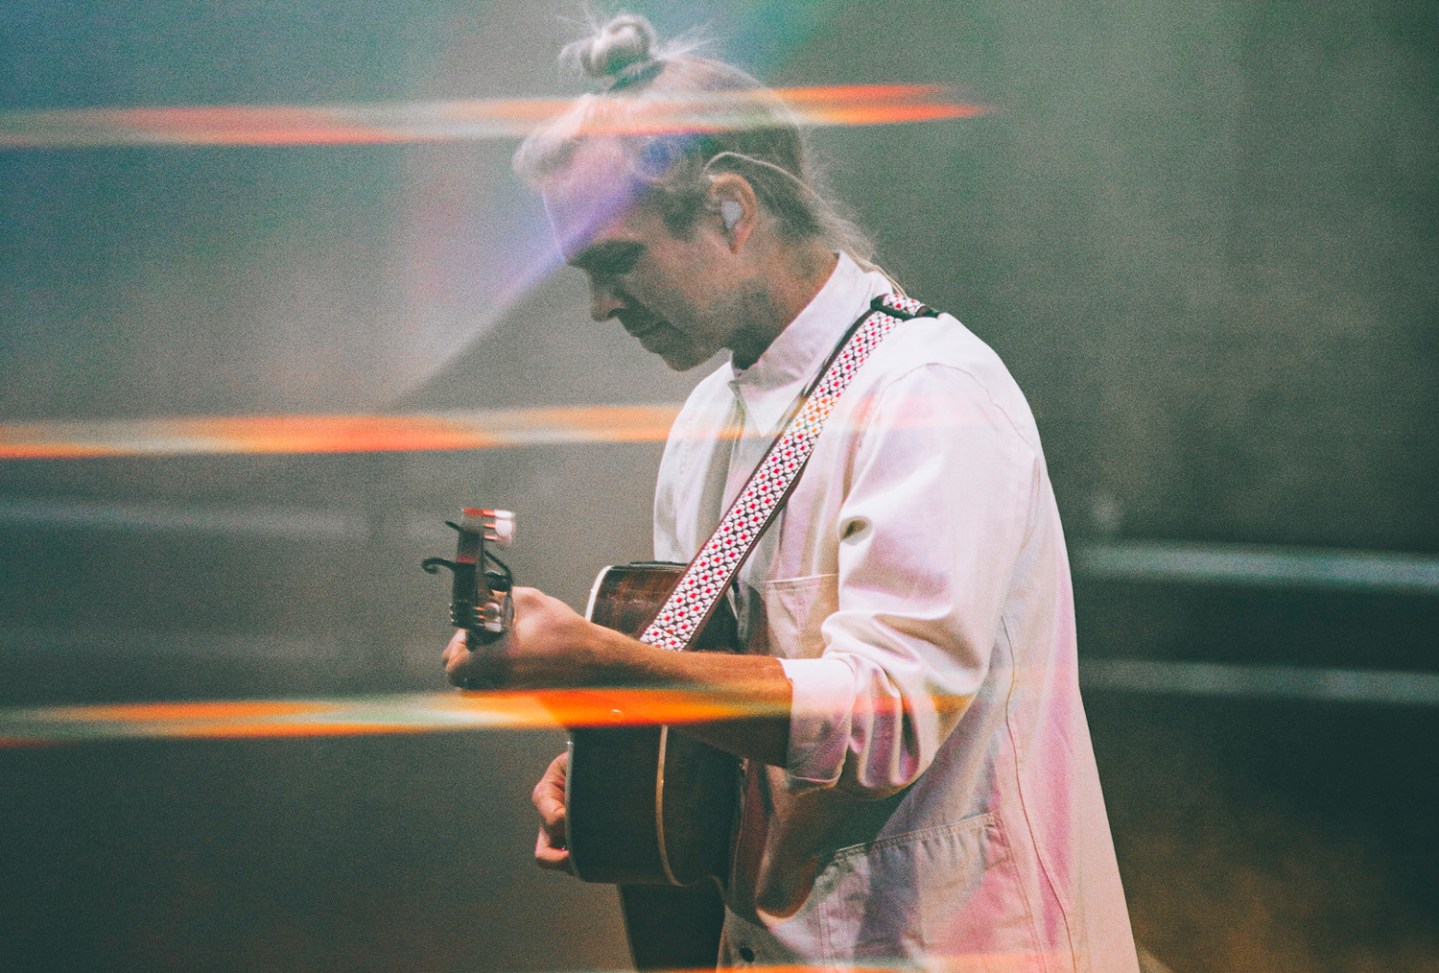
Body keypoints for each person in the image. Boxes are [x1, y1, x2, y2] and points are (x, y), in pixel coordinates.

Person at [444, 13, 1140, 973]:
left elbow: (887, 721)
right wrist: (615, 772)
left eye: (617, 260)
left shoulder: (924, 392)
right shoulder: (706, 421)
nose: (600, 306)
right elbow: (725, 705)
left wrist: (606, 665)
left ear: (731, 211)